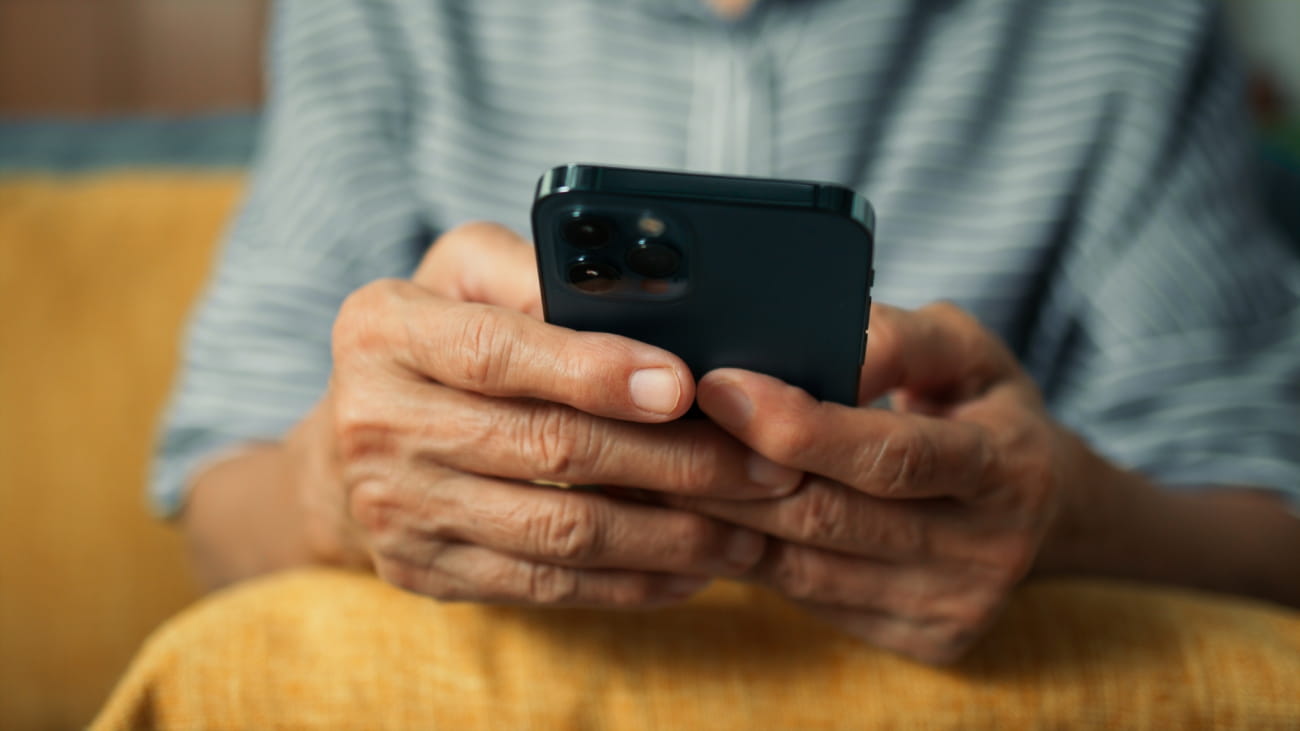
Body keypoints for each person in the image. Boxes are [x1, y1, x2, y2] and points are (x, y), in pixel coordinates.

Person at [158, 0, 1300, 665]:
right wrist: (334, 487)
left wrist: (1068, 511)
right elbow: (218, 501)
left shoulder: (1131, 24)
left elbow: (1267, 523)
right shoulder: (378, 13)